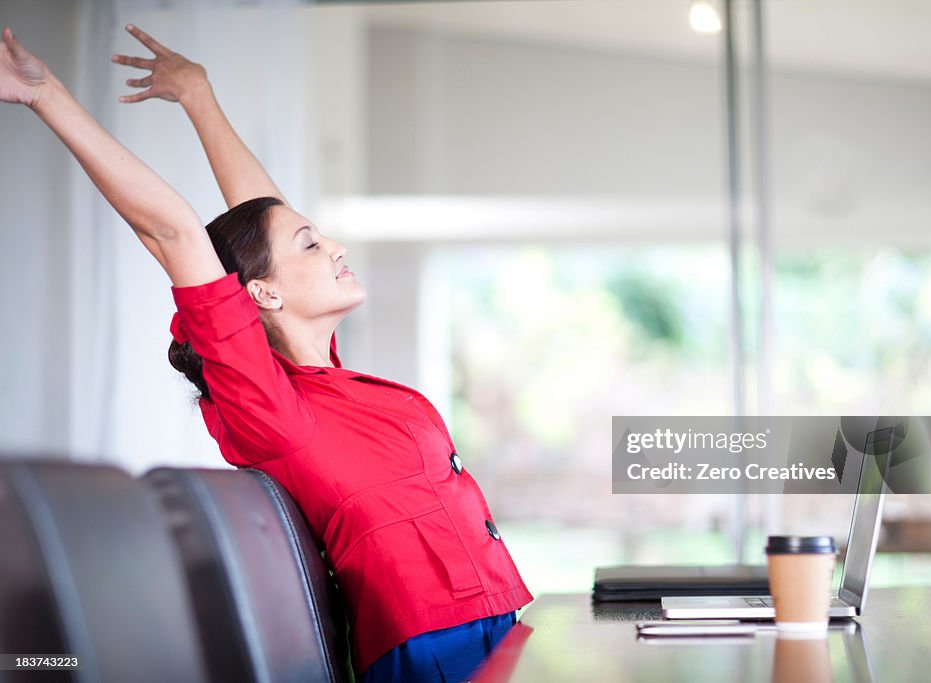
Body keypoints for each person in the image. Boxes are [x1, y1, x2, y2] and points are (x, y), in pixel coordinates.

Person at [1, 23, 532, 683]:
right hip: (434, 650)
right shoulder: (273, 409)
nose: (334, 246)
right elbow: (174, 231)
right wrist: (45, 92)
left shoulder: (322, 380)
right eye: (312, 245)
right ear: (263, 293)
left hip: (487, 622)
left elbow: (264, 216)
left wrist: (199, 98)